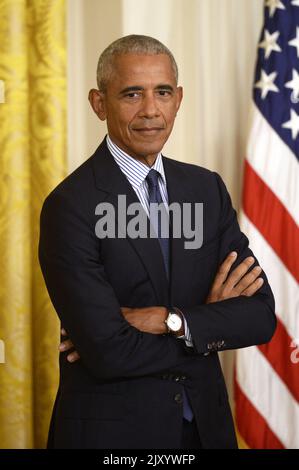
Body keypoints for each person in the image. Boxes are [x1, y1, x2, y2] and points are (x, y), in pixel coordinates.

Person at [39, 35, 276, 449]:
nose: (151, 110)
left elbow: (259, 316)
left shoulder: (206, 189)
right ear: (99, 103)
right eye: (132, 94)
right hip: (114, 437)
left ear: (178, 98)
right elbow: (108, 352)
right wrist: (205, 324)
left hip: (206, 430)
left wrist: (171, 319)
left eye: (162, 92)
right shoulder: (70, 205)